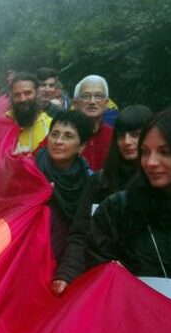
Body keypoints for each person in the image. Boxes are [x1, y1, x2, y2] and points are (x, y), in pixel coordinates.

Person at [52, 105, 155, 294]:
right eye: (121, 135)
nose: (127, 142)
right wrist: (67, 273)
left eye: (135, 135)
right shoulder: (99, 182)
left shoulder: (161, 184)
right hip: (102, 281)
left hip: (149, 286)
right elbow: (80, 234)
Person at [79, 108, 171, 282]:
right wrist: (111, 273)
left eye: (165, 152)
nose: (151, 162)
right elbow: (96, 264)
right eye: (145, 152)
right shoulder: (117, 210)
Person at [35, 111, 93, 265]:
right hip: (30, 249)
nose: (58, 141)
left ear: (81, 146)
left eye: (68, 136)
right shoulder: (31, 169)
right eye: (54, 134)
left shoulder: (88, 181)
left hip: (65, 257)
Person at [0, 72, 52, 155]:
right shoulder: (1, 127)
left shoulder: (50, 126)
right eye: (17, 95)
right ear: (12, 97)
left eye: (27, 93)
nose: (22, 99)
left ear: (37, 93)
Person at [73, 75, 114, 170]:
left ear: (106, 103)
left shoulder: (115, 136)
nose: (92, 101)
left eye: (99, 96)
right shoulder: (62, 134)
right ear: (75, 104)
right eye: (86, 96)